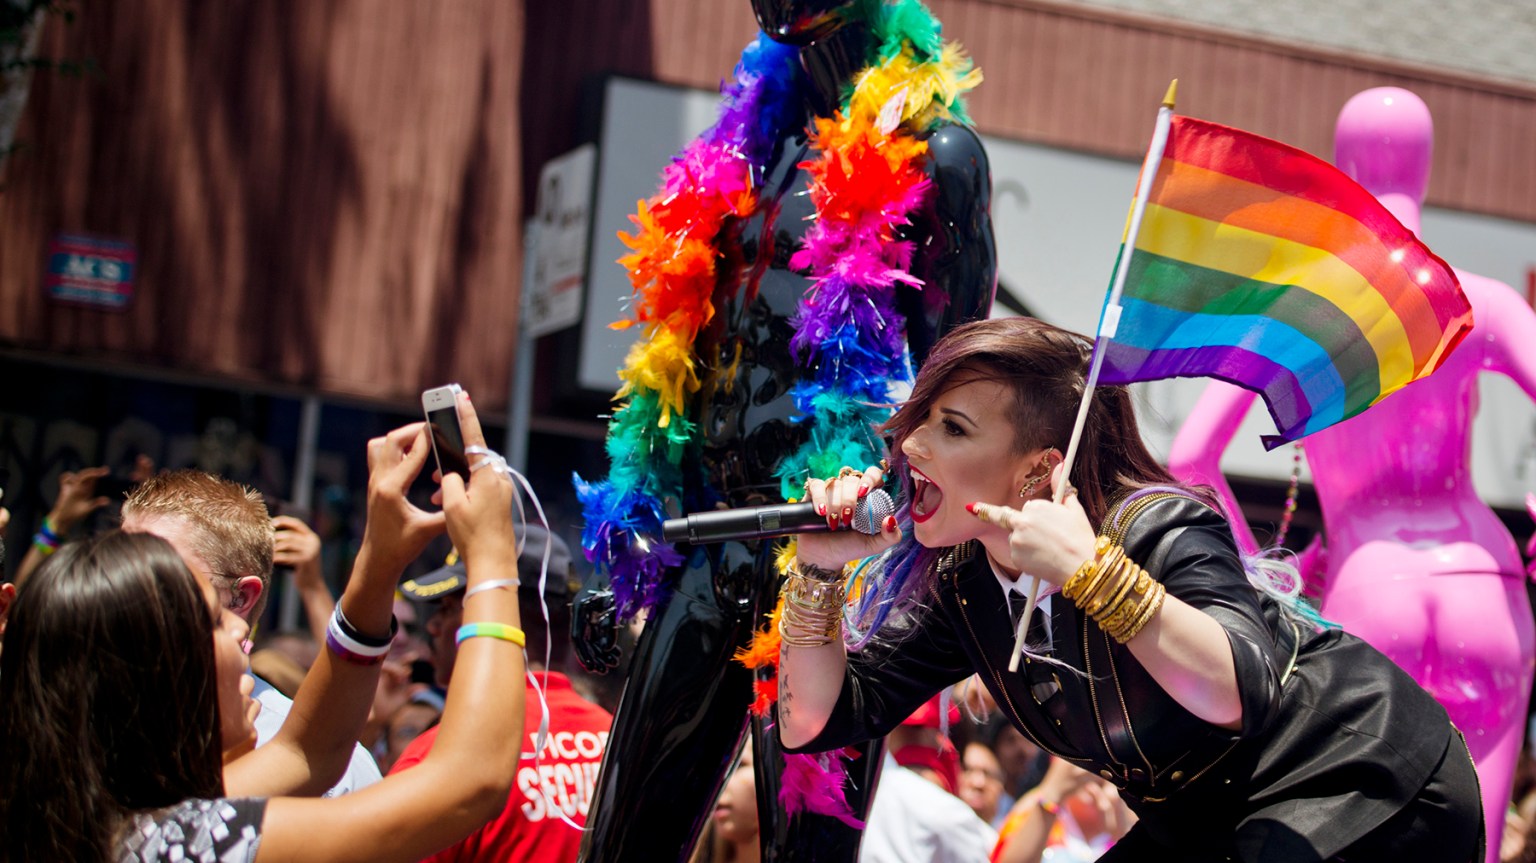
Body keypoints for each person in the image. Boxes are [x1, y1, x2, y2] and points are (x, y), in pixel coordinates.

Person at [778, 316, 1484, 862]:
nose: (911, 445)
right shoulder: (970, 587)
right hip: (1211, 812)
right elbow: (812, 719)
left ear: (1037, 469)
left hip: (1366, 775)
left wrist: (1090, 571)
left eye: (951, 427)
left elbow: (1237, 689)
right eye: (922, 418)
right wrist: (818, 569)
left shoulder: (1154, 524)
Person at [574, 1, 996, 859]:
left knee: (806, 850)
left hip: (828, 551)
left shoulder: (937, 156)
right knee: (619, 841)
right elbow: (684, 348)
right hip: (706, 540)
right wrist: (630, 536)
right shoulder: (744, 145)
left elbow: (968, 387)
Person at [1167, 86, 1536, 863]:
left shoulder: (1299, 311)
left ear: (1345, 165)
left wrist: (1264, 574)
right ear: (1429, 167)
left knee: (1361, 838)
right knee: (1481, 846)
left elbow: (1190, 458)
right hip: (1485, 586)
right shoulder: (1481, 299)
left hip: (1372, 582)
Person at [0, 396, 531, 862]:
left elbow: (309, 753)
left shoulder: (106, 814)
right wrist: (490, 560)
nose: (238, 633)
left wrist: (378, 558)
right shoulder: (178, 843)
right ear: (143, 675)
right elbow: (468, 783)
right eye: (208, 621)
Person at [120, 468, 384, 796]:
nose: (123, 585)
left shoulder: (335, 771)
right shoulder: (75, 719)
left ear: (240, 599)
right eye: (116, 562)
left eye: (158, 575)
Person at [391, 523, 613, 862]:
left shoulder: (439, 758)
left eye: (448, 608)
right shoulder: (617, 741)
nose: (433, 626)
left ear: (495, 613)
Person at [990, 756, 1134, 863]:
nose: (1092, 775)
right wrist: (1052, 795)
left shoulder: (1123, 818)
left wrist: (1120, 831)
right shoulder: (1035, 806)